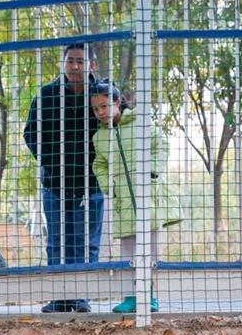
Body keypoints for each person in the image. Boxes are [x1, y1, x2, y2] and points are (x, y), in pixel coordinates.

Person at [23, 44, 104, 313]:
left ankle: (81, 298)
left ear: (91, 65)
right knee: (57, 242)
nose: (75, 67)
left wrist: (102, 165)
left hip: (91, 185)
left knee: (86, 243)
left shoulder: (103, 93)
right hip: (55, 184)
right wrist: (51, 163)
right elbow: (30, 134)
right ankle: (59, 299)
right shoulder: (46, 95)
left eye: (81, 62)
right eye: (70, 61)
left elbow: (119, 122)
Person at [89, 82, 183, 313]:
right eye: (95, 109)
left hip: (148, 199)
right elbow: (99, 164)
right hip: (123, 202)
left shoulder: (141, 123)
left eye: (104, 106)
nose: (100, 112)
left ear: (117, 102)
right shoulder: (99, 138)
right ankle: (131, 298)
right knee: (129, 252)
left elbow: (161, 144)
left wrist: (152, 171)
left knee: (150, 252)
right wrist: (108, 185)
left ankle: (148, 297)